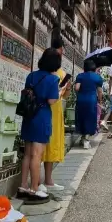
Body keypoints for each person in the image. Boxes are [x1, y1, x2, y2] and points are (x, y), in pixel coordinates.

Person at [18, 48, 61, 202]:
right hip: (42, 116)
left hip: (29, 116)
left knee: (28, 154)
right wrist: (60, 92)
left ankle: (23, 185)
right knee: (37, 155)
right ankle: (34, 188)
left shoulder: (31, 76)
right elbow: (51, 100)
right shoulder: (53, 80)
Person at [41, 70, 71, 195]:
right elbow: (52, 98)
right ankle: (36, 183)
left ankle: (48, 180)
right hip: (45, 113)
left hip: (56, 114)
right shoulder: (44, 76)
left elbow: (64, 96)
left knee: (51, 147)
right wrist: (61, 90)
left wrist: (67, 88)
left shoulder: (61, 73)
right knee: (39, 148)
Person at [74, 59, 104, 149]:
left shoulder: (80, 76)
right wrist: (100, 101)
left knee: (81, 118)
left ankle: (82, 138)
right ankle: (86, 140)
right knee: (90, 119)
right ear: (94, 68)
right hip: (91, 100)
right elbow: (99, 92)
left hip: (81, 100)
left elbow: (77, 88)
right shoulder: (97, 78)